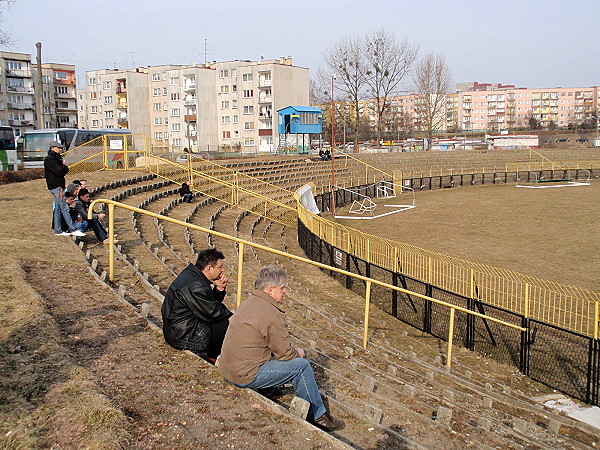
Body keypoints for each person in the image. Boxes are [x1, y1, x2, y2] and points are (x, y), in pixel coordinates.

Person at [218, 265, 345, 432]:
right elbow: (286, 354)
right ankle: (318, 416)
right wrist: (299, 353)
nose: (285, 291)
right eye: (282, 287)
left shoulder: (249, 302)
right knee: (301, 367)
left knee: (271, 357)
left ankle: (268, 389)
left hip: (228, 369)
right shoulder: (270, 312)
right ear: (270, 289)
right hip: (243, 375)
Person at [161, 248, 232, 363]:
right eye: (220, 267)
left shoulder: (193, 275)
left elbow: (208, 304)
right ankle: (213, 357)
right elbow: (214, 313)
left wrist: (219, 289)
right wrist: (236, 318)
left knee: (226, 318)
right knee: (229, 323)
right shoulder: (197, 286)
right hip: (183, 335)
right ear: (209, 268)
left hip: (177, 329)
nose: (222, 270)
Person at [44, 141, 86, 237]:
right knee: (64, 207)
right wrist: (64, 167)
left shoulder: (56, 158)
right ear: (53, 148)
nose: (60, 150)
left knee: (58, 209)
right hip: (56, 186)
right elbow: (60, 171)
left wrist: (63, 167)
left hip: (58, 186)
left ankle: (58, 230)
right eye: (59, 148)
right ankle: (73, 229)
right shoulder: (50, 159)